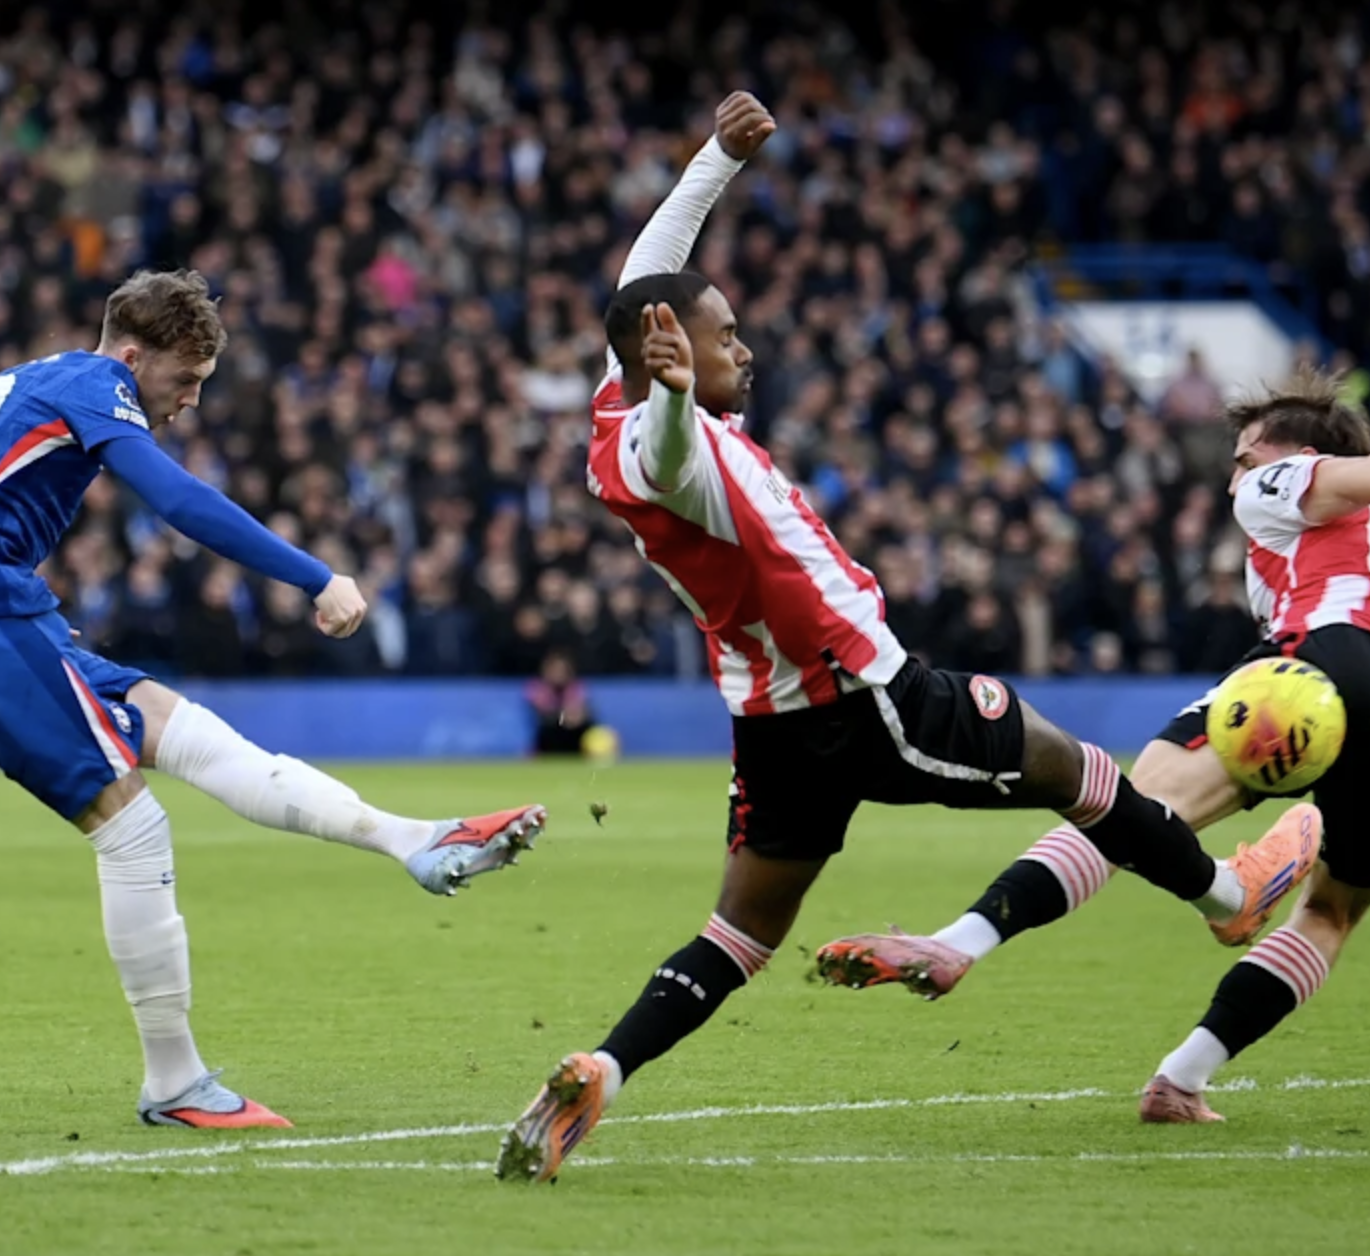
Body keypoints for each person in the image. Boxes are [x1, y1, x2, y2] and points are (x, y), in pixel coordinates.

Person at [496, 95, 1318, 1185]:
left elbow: (644, 278)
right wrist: (680, 398)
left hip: (771, 717)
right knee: (1071, 768)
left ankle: (601, 1066)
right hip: (862, 696)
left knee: (742, 930)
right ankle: (1225, 895)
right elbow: (673, 448)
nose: (743, 344)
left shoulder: (614, 410)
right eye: (722, 333)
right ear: (669, 356)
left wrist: (713, 164)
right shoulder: (662, 444)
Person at [815, 368, 1370, 1122]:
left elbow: (1347, 480)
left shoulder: (1282, 490)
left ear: (1295, 454)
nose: (1234, 476)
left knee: (1127, 811)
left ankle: (961, 943)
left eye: (1245, 456)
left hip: (1320, 668)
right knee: (1331, 915)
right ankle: (1183, 1077)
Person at [0, 269, 547, 1129]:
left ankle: (415, 841)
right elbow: (177, 500)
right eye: (184, 379)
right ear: (131, 355)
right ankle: (174, 1081)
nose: (191, 401)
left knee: (190, 734)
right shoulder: (94, 383)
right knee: (132, 828)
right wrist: (316, 576)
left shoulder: (16, 386)